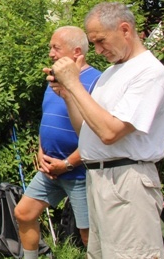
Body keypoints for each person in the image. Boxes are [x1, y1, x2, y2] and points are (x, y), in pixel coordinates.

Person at [50, 2, 164, 258]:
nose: (98, 50)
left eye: (101, 41)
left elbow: (110, 132)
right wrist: (69, 94)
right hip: (100, 178)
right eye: (93, 43)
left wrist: (74, 82)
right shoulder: (112, 73)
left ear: (125, 29)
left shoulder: (150, 73)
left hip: (126, 180)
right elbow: (88, 131)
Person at [14, 27, 102, 258]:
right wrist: (42, 153)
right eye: (50, 47)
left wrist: (68, 163)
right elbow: (48, 118)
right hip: (50, 169)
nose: (51, 53)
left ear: (76, 51)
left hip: (79, 173)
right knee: (24, 213)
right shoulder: (54, 80)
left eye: (56, 47)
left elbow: (97, 131)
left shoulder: (97, 81)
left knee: (88, 235)